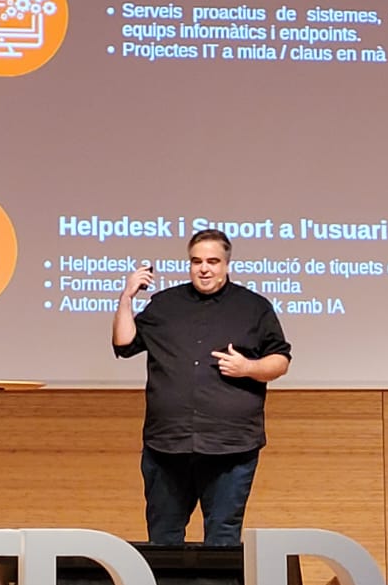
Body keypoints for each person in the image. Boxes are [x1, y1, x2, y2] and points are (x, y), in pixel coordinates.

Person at [112, 227, 292, 545]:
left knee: (222, 538)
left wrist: (248, 367)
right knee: (163, 538)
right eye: (197, 262)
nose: (204, 269)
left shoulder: (254, 307)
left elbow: (280, 360)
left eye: (212, 261)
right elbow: (124, 344)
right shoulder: (165, 304)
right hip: (167, 444)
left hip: (231, 446)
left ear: (226, 264)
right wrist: (127, 297)